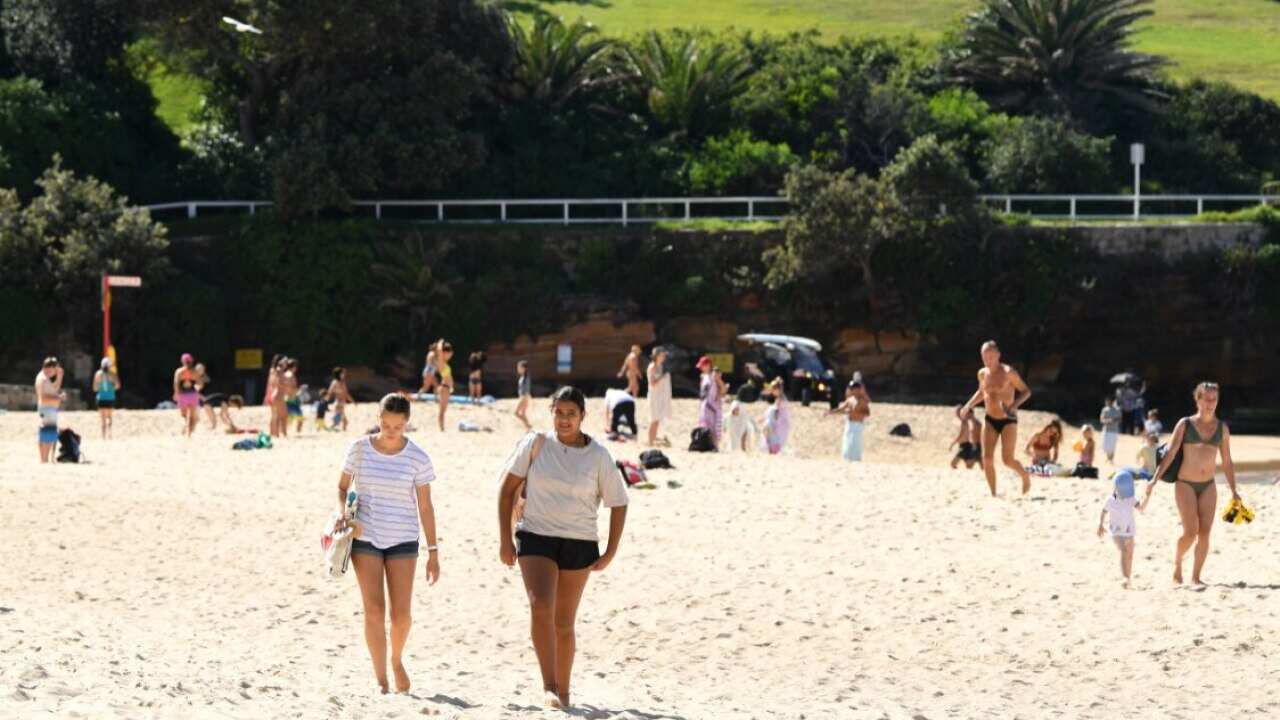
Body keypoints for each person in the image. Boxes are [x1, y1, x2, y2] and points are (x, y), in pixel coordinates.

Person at [497, 387, 628, 710]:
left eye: (571, 413)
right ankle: (549, 686)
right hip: (535, 536)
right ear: (551, 413)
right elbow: (506, 490)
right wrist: (504, 539)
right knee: (541, 605)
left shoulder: (598, 455)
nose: (565, 419)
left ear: (583, 416)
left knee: (564, 621)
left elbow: (619, 502)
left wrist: (610, 551)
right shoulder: (536, 443)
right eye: (559, 413)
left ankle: (566, 693)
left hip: (580, 541)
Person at [332, 393, 440, 694]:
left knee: (401, 615)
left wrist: (433, 552)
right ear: (378, 419)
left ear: (406, 423)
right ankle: (381, 679)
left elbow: (426, 507)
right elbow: (342, 487)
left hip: (404, 539)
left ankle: (395, 660)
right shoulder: (359, 449)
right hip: (364, 536)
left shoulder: (418, 457)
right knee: (374, 611)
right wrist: (342, 513)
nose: (391, 430)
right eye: (386, 424)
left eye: (397, 425)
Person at [1143, 382, 1243, 586]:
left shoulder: (1222, 428)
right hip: (1185, 484)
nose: (1211, 403)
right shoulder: (1185, 424)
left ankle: (1196, 577)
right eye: (1206, 399)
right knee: (1190, 532)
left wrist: (1234, 490)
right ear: (1197, 400)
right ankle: (1178, 564)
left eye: (1214, 399)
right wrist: (1154, 479)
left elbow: (1227, 461)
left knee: (1205, 533)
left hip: (1208, 485)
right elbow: (1170, 453)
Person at [959, 340, 1032, 496]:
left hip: (1008, 420)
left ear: (998, 355)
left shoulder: (1008, 372)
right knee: (986, 459)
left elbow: (1026, 391)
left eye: (991, 356)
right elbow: (982, 392)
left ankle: (1025, 476)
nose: (988, 359)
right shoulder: (982, 373)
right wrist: (968, 405)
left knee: (1007, 460)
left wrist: (1013, 406)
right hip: (990, 420)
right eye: (985, 356)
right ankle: (993, 494)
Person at [1096, 467, 1152, 589]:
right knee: (1123, 551)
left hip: (1129, 531)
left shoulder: (1130, 498)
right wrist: (1100, 524)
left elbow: (1141, 508)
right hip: (1115, 531)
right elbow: (1104, 511)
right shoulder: (1111, 500)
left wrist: (1147, 496)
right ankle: (1124, 577)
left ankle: (1128, 578)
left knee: (1130, 554)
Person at [830, 378, 871, 462]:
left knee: (856, 441)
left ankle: (856, 458)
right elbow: (841, 409)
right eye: (853, 388)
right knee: (847, 440)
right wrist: (831, 412)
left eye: (856, 388)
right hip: (849, 424)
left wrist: (856, 413)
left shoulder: (863, 401)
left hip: (858, 424)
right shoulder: (850, 400)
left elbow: (867, 413)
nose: (854, 390)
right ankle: (847, 457)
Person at [35, 357, 64, 462]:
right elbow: (43, 398)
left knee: (47, 432)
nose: (55, 373)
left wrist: (60, 377)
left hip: (48, 409)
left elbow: (54, 389)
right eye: (54, 370)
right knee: (48, 432)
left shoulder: (44, 377)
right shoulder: (42, 379)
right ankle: (44, 459)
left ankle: (44, 459)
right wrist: (58, 399)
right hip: (46, 409)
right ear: (49, 368)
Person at [696, 356, 727, 450]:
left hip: (713, 407)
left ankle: (715, 446)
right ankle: (707, 446)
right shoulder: (703, 377)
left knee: (714, 428)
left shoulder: (714, 376)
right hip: (704, 406)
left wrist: (718, 380)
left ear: (708, 365)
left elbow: (723, 390)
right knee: (705, 426)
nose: (701, 368)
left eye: (703, 366)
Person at [645, 348, 672, 447]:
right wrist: (662, 378)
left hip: (660, 396)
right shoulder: (652, 367)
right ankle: (650, 441)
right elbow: (652, 383)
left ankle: (652, 441)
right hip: (654, 396)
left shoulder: (660, 366)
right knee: (653, 419)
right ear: (657, 356)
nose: (664, 357)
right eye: (662, 355)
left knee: (657, 420)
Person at [93, 357, 121, 440]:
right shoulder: (113, 374)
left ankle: (103, 436)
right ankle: (110, 434)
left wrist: (101, 387)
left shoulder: (98, 374)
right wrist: (111, 387)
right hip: (110, 397)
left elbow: (94, 388)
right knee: (109, 417)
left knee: (103, 419)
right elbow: (118, 386)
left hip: (101, 398)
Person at [174, 353, 201, 438]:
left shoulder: (179, 371)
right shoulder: (195, 372)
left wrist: (176, 393)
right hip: (193, 395)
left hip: (183, 395)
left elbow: (176, 384)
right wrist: (196, 389)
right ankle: (189, 434)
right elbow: (199, 384)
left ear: (182, 361)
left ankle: (185, 427)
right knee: (192, 417)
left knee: (184, 416)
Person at [762, 378, 791, 455]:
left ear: (778, 389)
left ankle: (773, 450)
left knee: (775, 437)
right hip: (782, 422)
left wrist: (773, 422)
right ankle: (773, 450)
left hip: (780, 423)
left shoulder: (780, 399)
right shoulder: (780, 398)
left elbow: (777, 412)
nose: (772, 392)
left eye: (773, 389)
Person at [949, 405, 981, 470]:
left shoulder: (964, 422)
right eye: (956, 412)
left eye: (958, 411)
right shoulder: (966, 422)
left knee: (953, 464)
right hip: (967, 446)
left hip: (966, 446)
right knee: (969, 466)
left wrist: (952, 444)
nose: (956, 413)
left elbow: (961, 435)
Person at [434, 340, 454, 432]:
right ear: (444, 353)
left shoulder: (444, 363)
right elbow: (439, 350)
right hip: (444, 387)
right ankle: (441, 428)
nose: (451, 355)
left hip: (446, 387)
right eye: (449, 353)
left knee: (443, 409)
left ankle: (442, 427)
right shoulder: (441, 362)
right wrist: (441, 343)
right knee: (442, 410)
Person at [327, 367, 353, 432]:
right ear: (338, 374)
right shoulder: (335, 382)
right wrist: (327, 399)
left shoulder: (342, 382)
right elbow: (330, 391)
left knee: (344, 420)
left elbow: (346, 393)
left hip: (342, 403)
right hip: (338, 403)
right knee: (339, 419)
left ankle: (343, 431)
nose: (344, 374)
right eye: (342, 373)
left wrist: (352, 400)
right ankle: (331, 428)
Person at [1099, 397, 1122, 463]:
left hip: (1114, 431)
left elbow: (1120, 419)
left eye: (1109, 401)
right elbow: (1102, 419)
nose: (1107, 402)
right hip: (1106, 430)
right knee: (1105, 446)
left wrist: (1113, 420)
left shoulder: (1117, 410)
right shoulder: (1104, 410)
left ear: (1112, 402)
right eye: (1107, 401)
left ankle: (1111, 459)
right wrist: (1107, 421)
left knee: (1112, 446)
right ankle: (1108, 457)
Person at [514, 360, 532, 430]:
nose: (518, 369)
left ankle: (528, 426)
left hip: (524, 397)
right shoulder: (523, 377)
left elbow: (527, 390)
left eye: (519, 368)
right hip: (523, 397)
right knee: (522, 413)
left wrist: (525, 399)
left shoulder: (526, 378)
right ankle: (528, 428)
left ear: (524, 368)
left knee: (516, 413)